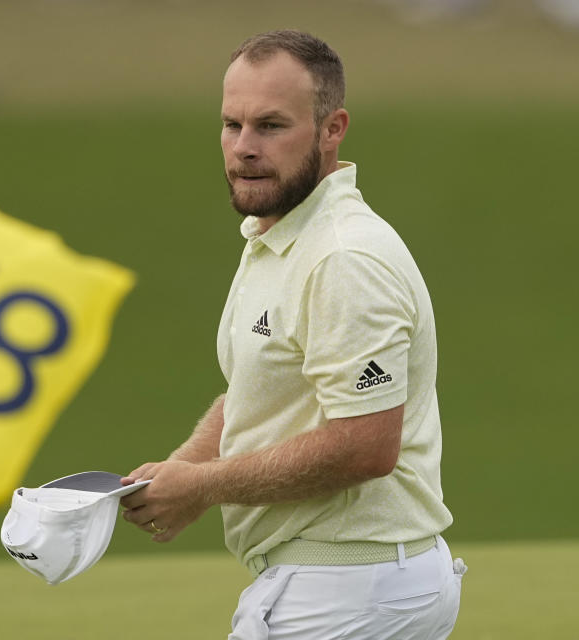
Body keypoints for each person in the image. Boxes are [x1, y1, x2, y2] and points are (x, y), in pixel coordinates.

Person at [119, 30, 465, 639]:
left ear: (332, 130)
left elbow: (365, 445)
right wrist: (179, 476)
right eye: (232, 125)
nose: (244, 148)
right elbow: (263, 394)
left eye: (271, 126)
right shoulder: (279, 238)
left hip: (350, 591)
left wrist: (202, 483)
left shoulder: (342, 258)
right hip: (344, 585)